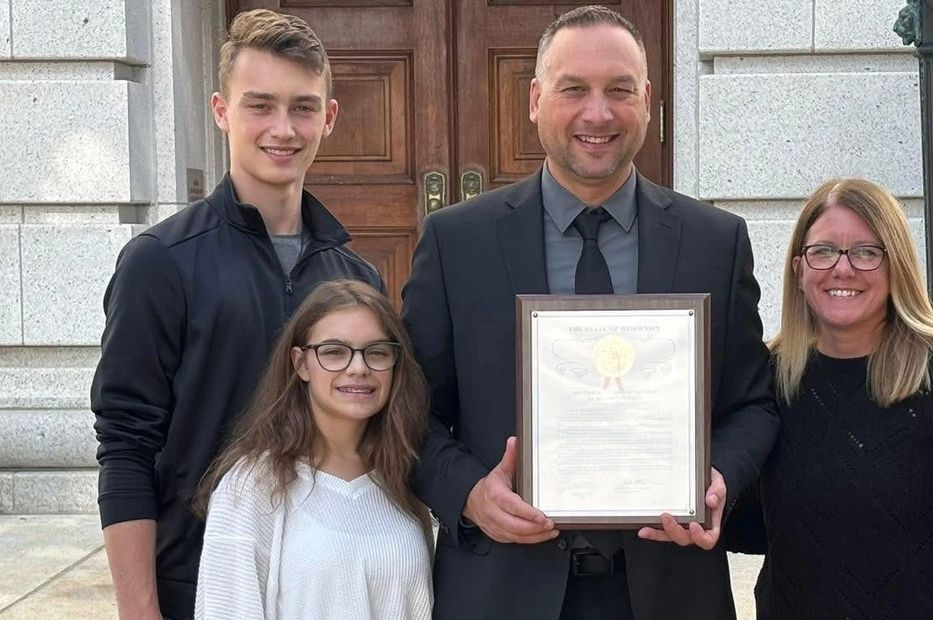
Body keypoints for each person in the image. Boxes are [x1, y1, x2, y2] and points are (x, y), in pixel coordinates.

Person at [401, 5, 778, 619]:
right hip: (502, 590)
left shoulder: (716, 241)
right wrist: (469, 493)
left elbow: (752, 404)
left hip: (668, 588)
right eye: (573, 88)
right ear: (535, 99)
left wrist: (720, 482)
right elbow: (410, 410)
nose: (597, 113)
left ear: (649, 101)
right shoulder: (455, 243)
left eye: (619, 90)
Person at [91, 10, 383, 619]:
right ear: (221, 111)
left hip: (326, 592)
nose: (284, 128)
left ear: (328, 118)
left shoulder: (356, 280)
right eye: (261, 105)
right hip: (198, 587)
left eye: (303, 107)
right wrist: (139, 610)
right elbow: (125, 446)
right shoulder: (159, 264)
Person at [725, 178, 933, 618]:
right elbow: (760, 524)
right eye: (823, 251)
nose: (843, 269)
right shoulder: (771, 380)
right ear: (798, 269)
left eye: (866, 252)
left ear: (896, 266)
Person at [194, 279, 432, 619]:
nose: (358, 367)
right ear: (301, 363)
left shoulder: (404, 477)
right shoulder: (252, 485)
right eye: (334, 352)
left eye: (376, 352)